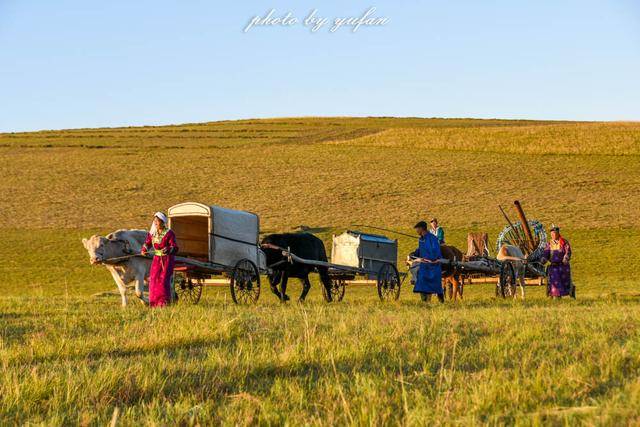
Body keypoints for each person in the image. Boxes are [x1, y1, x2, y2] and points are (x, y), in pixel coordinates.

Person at [141, 212, 178, 307]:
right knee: (153, 279)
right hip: (156, 260)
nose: (155, 223)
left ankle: (163, 302)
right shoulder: (153, 233)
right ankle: (153, 303)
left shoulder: (169, 233)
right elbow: (147, 242)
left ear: (162, 222)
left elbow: (175, 247)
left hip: (167, 260)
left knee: (163, 280)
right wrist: (144, 249)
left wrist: (168, 249)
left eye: (157, 221)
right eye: (155, 221)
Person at [409, 221, 444, 303]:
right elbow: (420, 250)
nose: (416, 230)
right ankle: (424, 301)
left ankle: (440, 300)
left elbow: (436, 252)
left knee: (426, 278)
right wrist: (413, 254)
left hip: (433, 265)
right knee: (418, 274)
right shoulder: (421, 239)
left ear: (421, 228)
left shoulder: (433, 238)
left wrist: (428, 259)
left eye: (417, 229)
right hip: (425, 265)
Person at [540, 225, 573, 298]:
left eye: (554, 233)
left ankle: (567, 292)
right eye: (551, 234)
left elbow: (568, 252)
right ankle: (556, 295)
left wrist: (565, 258)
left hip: (563, 266)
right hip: (553, 267)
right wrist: (543, 260)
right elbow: (546, 253)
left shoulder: (564, 242)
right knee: (554, 280)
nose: (552, 235)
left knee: (564, 280)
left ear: (558, 233)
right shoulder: (549, 244)